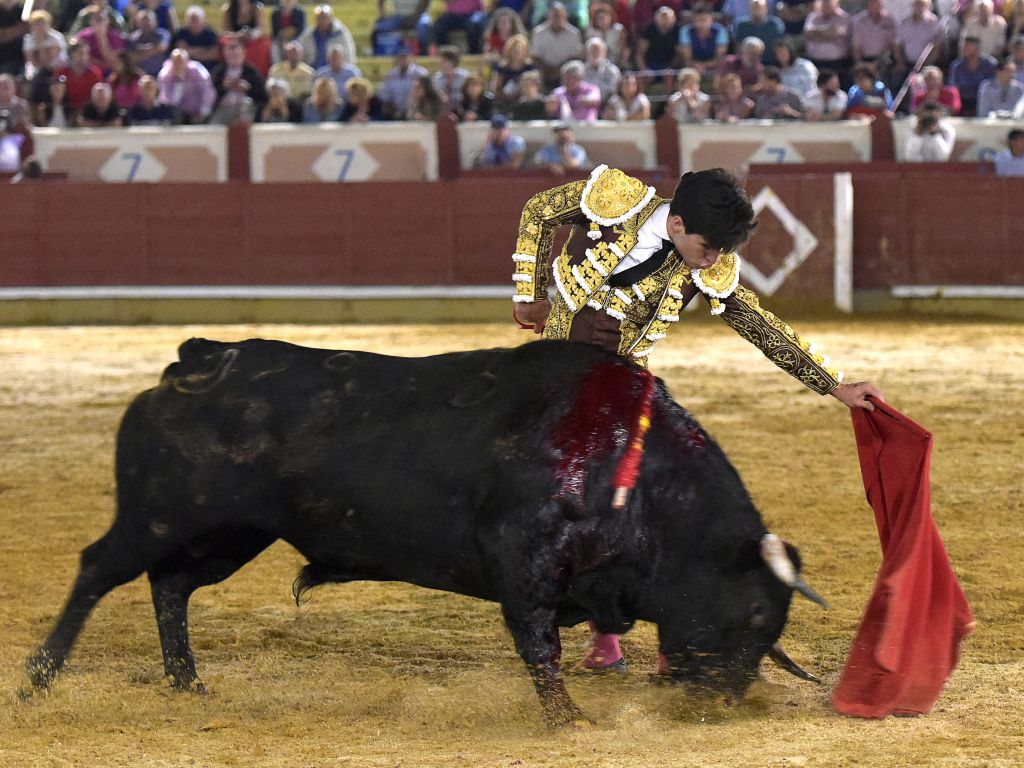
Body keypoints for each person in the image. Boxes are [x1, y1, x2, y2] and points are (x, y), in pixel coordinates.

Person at [508, 166, 884, 673]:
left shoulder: (707, 260)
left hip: (622, 389)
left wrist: (833, 385)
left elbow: (755, 321)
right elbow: (539, 211)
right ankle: (605, 639)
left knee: (650, 509)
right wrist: (528, 293)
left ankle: (672, 639)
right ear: (678, 224)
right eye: (708, 248)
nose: (714, 262)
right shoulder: (617, 202)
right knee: (565, 514)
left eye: (722, 253)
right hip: (558, 382)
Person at [531, 1, 585, 89]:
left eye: (559, 15)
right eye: (554, 15)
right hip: (544, 72)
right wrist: (547, 71)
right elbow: (535, 56)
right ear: (548, 16)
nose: (557, 18)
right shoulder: (538, 32)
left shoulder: (574, 34)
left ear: (565, 16)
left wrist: (559, 71)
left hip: (567, 72)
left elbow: (575, 57)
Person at [157, 47, 216, 123]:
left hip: (198, 111)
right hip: (178, 113)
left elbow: (207, 92)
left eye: (181, 61)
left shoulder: (197, 71)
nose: (178, 65)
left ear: (187, 61)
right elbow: (169, 101)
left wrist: (203, 112)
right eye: (176, 62)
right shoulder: (165, 74)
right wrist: (179, 81)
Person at [949, 35, 998, 115]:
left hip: (984, 100)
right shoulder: (957, 66)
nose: (963, 49)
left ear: (977, 49)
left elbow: (995, 85)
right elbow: (953, 86)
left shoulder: (990, 64)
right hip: (963, 101)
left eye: (967, 46)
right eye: (963, 46)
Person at [299, 4, 356, 71]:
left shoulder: (340, 33)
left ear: (331, 18)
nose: (323, 20)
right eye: (319, 18)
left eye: (325, 17)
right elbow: (300, 52)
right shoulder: (309, 34)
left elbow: (349, 55)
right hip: (313, 71)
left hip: (335, 72)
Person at [378, 43, 428, 118]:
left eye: (405, 57)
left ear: (411, 58)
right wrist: (393, 111)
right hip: (394, 111)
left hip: (416, 110)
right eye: (400, 57)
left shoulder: (420, 72)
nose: (402, 60)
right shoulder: (391, 74)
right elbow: (385, 96)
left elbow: (426, 95)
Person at [169, 6, 221, 73]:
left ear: (203, 21)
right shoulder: (180, 34)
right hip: (185, 71)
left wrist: (188, 51)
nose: (194, 24)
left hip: (208, 69)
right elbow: (177, 55)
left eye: (196, 20)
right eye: (191, 20)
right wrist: (203, 50)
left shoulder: (211, 34)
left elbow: (214, 54)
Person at [734, 0, 785, 64]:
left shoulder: (775, 24)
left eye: (759, 7)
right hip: (748, 65)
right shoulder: (741, 25)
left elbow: (780, 45)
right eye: (754, 7)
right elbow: (738, 46)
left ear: (766, 8)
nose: (757, 10)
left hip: (771, 64)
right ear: (749, 8)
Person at [129, 8, 170, 76]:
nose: (147, 24)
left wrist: (141, 51)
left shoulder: (163, 34)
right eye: (143, 22)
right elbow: (131, 58)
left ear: (155, 21)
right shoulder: (133, 37)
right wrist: (153, 49)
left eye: (149, 21)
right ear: (138, 23)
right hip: (140, 75)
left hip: (161, 74)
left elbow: (162, 48)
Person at [582, 36, 620, 103]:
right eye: (592, 51)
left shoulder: (612, 71)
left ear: (604, 52)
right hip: (587, 106)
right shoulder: (582, 71)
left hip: (607, 105)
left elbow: (613, 93)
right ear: (587, 53)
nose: (595, 53)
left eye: (598, 50)